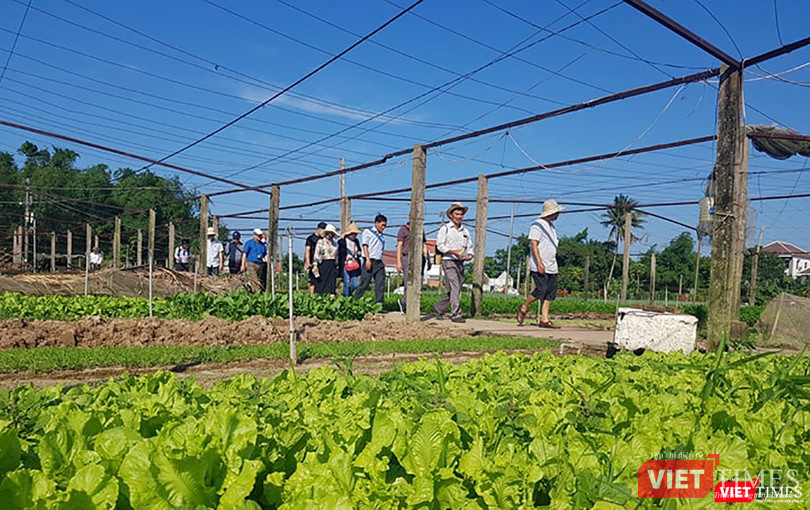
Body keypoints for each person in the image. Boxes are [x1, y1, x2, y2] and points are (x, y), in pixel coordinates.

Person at [517, 199, 564, 328]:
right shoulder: (537, 225)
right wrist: (539, 263)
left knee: (550, 292)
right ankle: (525, 305)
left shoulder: (552, 227)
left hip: (552, 265)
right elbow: (533, 244)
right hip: (540, 264)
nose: (558, 214)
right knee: (541, 289)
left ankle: (544, 319)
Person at [432, 202, 473, 323]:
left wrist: (470, 255)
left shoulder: (465, 231)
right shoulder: (445, 229)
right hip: (448, 261)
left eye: (461, 214)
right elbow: (440, 245)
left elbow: (469, 246)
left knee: (456, 288)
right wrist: (452, 252)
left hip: (460, 262)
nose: (459, 216)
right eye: (457, 214)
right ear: (451, 215)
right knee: (455, 286)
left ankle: (438, 307)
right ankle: (456, 314)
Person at [353, 214, 387, 304]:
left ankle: (379, 304)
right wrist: (367, 259)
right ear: (376, 223)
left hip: (379, 261)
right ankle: (354, 301)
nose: (383, 227)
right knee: (364, 283)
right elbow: (365, 246)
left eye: (385, 226)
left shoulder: (382, 237)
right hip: (370, 260)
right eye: (382, 225)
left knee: (380, 283)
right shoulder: (368, 232)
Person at [396, 221, 429, 313]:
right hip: (407, 257)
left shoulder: (421, 229)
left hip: (420, 258)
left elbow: (424, 243)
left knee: (420, 282)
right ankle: (406, 304)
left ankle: (413, 304)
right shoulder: (403, 229)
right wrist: (399, 262)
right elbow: (399, 246)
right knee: (409, 282)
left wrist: (426, 257)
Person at [312, 224, 339, 296]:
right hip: (323, 264)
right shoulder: (321, 242)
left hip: (332, 264)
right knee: (321, 282)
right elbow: (317, 253)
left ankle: (331, 296)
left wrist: (337, 266)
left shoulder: (335, 244)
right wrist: (315, 265)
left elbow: (336, 256)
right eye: (329, 233)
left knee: (331, 283)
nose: (330, 235)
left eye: (332, 233)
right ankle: (320, 297)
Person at [338, 222, 362, 297]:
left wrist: (359, 253)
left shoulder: (356, 241)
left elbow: (359, 250)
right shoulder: (343, 241)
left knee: (355, 284)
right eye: (353, 233)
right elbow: (340, 249)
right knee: (346, 283)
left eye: (356, 233)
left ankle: (349, 294)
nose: (355, 235)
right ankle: (346, 298)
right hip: (346, 264)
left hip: (354, 264)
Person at [304, 222, 326, 297]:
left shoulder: (323, 239)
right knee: (313, 281)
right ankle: (312, 296)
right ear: (319, 229)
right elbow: (307, 250)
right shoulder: (311, 238)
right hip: (313, 262)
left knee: (321, 279)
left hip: (321, 262)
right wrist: (307, 262)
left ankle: (320, 295)